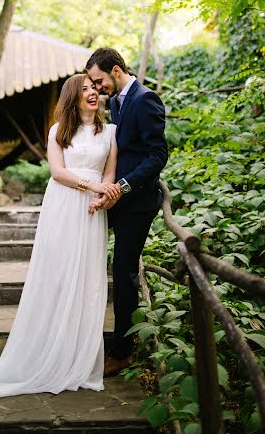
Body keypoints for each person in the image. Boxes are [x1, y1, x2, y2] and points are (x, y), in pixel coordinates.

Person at [0, 73, 119, 397]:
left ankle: (78, 358)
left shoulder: (110, 132)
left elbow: (110, 175)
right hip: (64, 205)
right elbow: (57, 173)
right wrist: (93, 186)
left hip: (92, 211)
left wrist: (103, 196)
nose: (92, 93)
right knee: (56, 276)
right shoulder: (59, 131)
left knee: (88, 281)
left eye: (94, 88)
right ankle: (46, 350)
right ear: (72, 97)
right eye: (84, 89)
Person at [86, 47, 168, 377]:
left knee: (124, 273)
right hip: (116, 199)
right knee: (100, 264)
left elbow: (157, 153)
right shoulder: (118, 102)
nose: (96, 87)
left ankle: (122, 352)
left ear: (116, 70)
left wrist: (124, 186)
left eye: (99, 80)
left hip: (137, 203)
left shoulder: (145, 99)